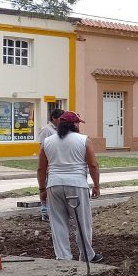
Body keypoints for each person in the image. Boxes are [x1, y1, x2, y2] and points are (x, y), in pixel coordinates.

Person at [37, 112, 101, 262]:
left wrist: (42, 189)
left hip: (54, 185)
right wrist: (96, 185)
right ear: (74, 125)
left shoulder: (47, 142)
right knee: (82, 222)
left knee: (58, 222)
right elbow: (93, 165)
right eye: (78, 123)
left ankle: (63, 257)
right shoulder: (84, 140)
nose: (79, 126)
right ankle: (87, 255)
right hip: (77, 185)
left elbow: (41, 168)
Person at [37, 108, 65, 221]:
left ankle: (55, 211)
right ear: (54, 118)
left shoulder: (60, 129)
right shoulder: (47, 130)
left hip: (58, 162)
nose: (62, 121)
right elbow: (42, 147)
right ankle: (45, 211)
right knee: (46, 187)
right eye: (60, 118)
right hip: (49, 162)